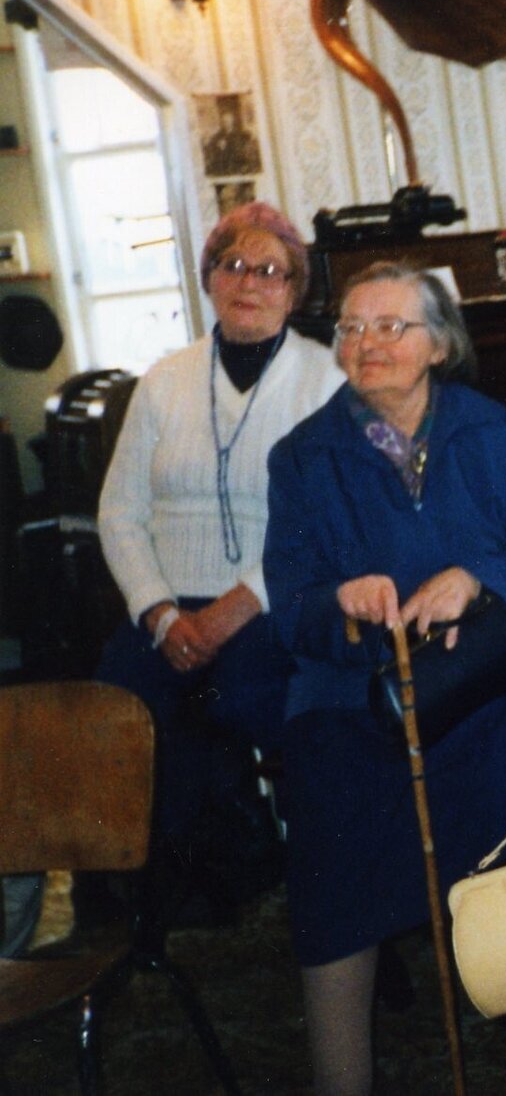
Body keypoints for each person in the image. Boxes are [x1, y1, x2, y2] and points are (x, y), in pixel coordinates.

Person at [264, 262, 506, 1096]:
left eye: (390, 326)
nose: (367, 343)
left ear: (439, 345)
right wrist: (340, 601)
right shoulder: (302, 458)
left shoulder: (494, 433)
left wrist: (477, 578)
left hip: (483, 684)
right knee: (333, 841)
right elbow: (290, 608)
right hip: (356, 697)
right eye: (352, 328)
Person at [97, 201, 343, 895]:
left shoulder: (325, 379)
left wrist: (233, 609)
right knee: (119, 711)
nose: (249, 283)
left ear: (294, 291)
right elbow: (118, 511)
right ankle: (157, 897)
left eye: (270, 271)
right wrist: (159, 613)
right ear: (209, 278)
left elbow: (324, 522)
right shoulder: (164, 380)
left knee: (254, 704)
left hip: (271, 604)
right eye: (233, 265)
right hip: (167, 611)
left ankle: (279, 869)